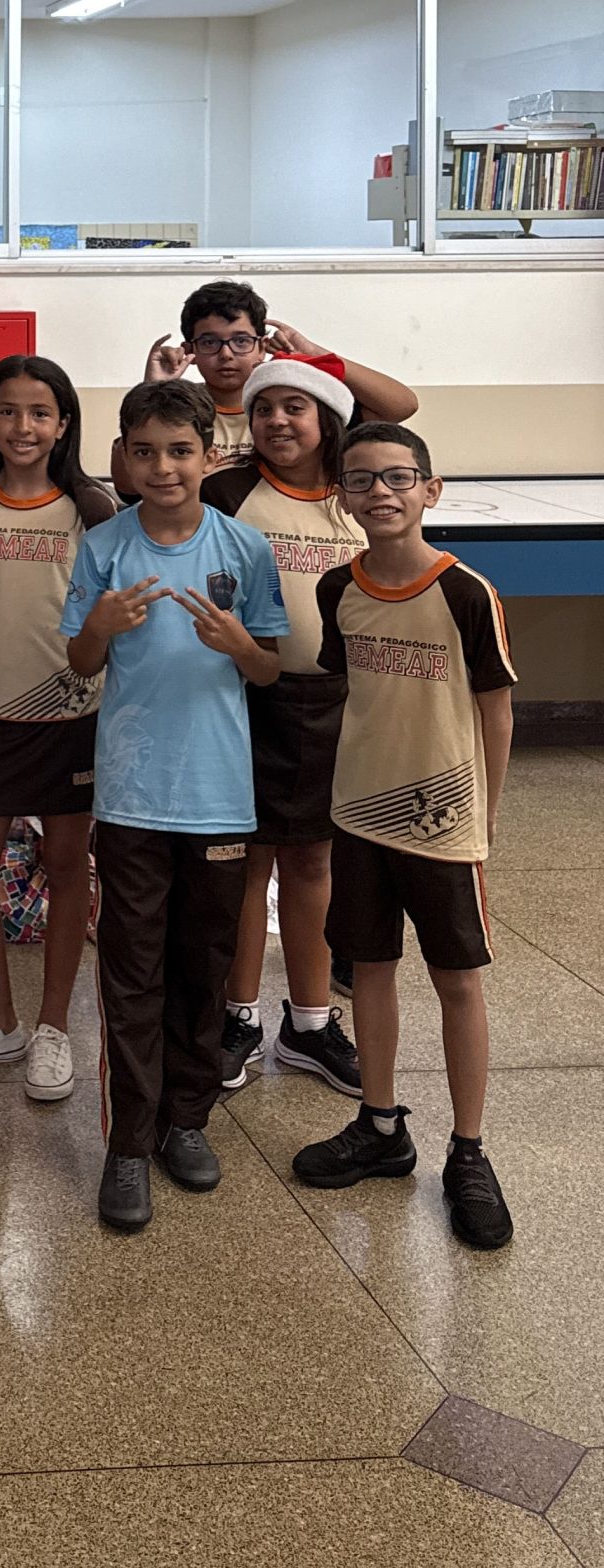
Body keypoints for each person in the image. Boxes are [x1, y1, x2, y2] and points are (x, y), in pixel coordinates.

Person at [63, 380, 288, 1233]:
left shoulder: (244, 547)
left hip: (219, 797)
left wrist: (240, 645)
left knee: (203, 965)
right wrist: (101, 628)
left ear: (210, 455)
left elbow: (268, 667)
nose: (163, 467)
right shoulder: (105, 546)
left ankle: (186, 1120)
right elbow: (83, 663)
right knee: (131, 972)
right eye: (146, 452)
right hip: (131, 795)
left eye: (180, 451)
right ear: (124, 457)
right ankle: (128, 1143)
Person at [292, 423, 516, 1251]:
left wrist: (484, 814)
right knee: (371, 971)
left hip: (443, 827)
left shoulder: (467, 593)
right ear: (342, 496)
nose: (380, 492)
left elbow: (496, 711)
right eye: (361, 479)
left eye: (397, 477)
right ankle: (381, 1125)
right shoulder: (337, 588)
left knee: (457, 982)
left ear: (431, 488)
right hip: (358, 817)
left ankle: (469, 1150)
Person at [0, 356, 114, 1100]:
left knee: (67, 867)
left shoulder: (90, 506)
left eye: (40, 412)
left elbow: (113, 611)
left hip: (74, 717)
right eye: (7, 411)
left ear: (63, 424)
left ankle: (53, 1027)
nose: (23, 426)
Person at [206, 361, 365, 1100]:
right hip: (245, 698)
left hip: (340, 704)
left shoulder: (359, 493)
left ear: (327, 418)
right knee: (248, 860)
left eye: (293, 406)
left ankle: (308, 1022)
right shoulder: (228, 493)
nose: (275, 420)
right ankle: (235, 1016)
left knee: (312, 861)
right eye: (263, 407)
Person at [117, 280, 419, 486]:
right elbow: (127, 485)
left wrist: (316, 355)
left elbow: (401, 406)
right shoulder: (178, 410)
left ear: (262, 347)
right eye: (210, 342)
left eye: (241, 341)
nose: (226, 354)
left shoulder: (295, 407)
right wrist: (152, 392)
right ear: (190, 349)